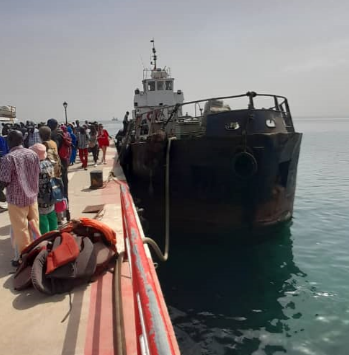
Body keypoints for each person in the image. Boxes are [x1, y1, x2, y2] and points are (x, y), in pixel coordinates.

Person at [0, 130, 40, 265]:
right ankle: (38, 251)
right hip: (32, 197)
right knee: (34, 226)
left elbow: (3, 181)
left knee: (21, 230)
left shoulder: (8, 158)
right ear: (22, 140)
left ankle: (26, 258)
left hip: (16, 200)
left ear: (9, 141)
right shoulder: (33, 154)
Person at [30, 143, 58, 234]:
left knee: (43, 218)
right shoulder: (49, 163)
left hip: (41, 196)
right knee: (52, 215)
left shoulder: (36, 166)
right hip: (51, 193)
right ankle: (55, 233)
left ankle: (45, 237)